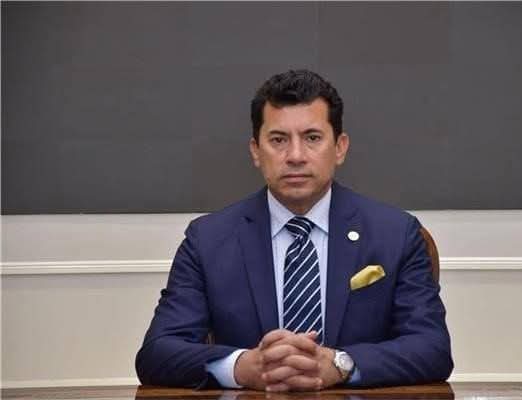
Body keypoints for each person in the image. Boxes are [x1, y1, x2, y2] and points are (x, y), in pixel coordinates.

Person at [135, 70, 453, 391]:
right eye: (278, 140)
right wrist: (243, 367)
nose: (296, 156)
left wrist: (340, 364)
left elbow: (432, 348)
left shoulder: (396, 234)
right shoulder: (208, 240)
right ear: (255, 151)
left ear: (340, 147)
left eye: (312, 138)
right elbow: (158, 353)